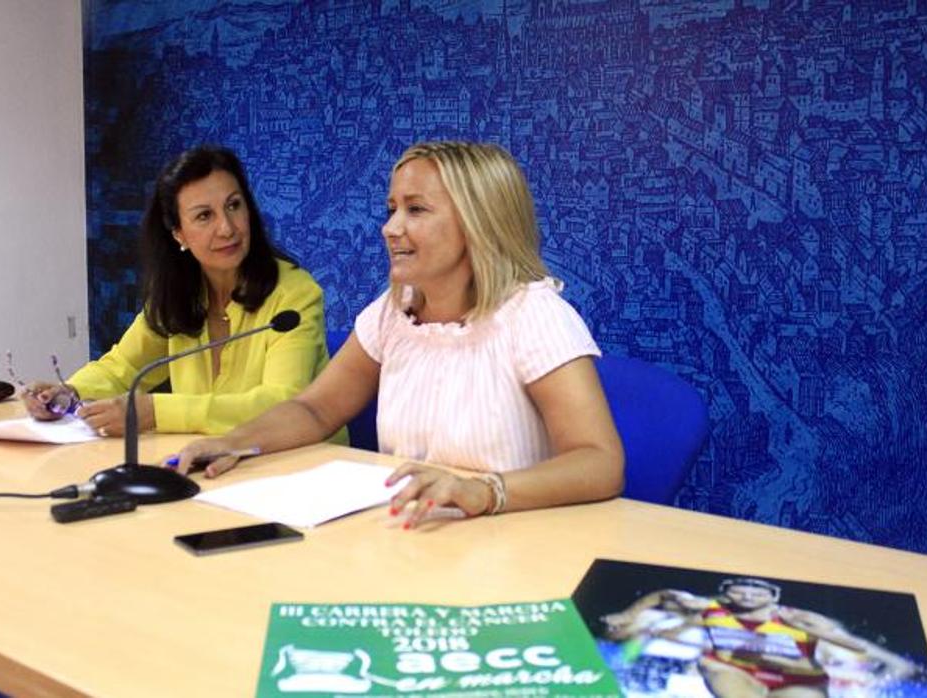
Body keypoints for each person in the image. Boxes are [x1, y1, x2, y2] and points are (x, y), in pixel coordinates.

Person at [174, 141, 624, 527]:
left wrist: (484, 491)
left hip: (511, 543)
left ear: (479, 222)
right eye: (391, 210)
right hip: (415, 534)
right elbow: (315, 410)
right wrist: (238, 441)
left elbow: (599, 461)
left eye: (416, 210)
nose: (390, 228)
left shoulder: (533, 314)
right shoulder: (394, 312)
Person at [21, 146, 332, 437]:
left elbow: (282, 403)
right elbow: (124, 367)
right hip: (215, 465)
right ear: (178, 234)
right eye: (204, 216)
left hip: (298, 470)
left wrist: (158, 411)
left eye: (234, 206)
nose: (227, 227)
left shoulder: (295, 295)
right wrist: (70, 392)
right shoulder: (177, 296)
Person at [601, 579, 916, 697]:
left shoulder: (802, 621)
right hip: (728, 673)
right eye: (740, 591)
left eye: (756, 592)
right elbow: (665, 596)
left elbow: (896, 665)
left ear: (772, 596)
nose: (747, 596)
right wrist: (629, 617)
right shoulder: (709, 612)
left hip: (798, 680)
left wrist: (865, 680)